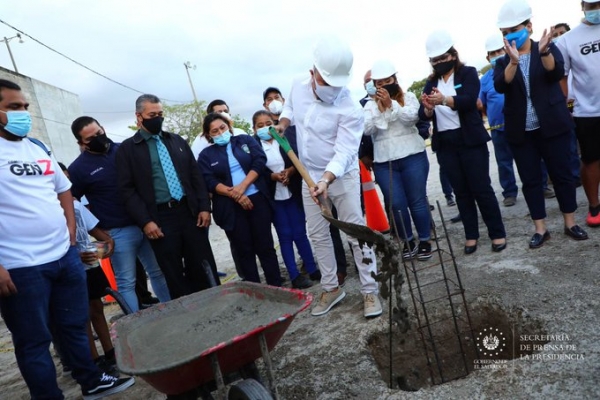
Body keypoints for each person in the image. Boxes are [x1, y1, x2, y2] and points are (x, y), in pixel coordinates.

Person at [0, 79, 134, 399]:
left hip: (63, 256)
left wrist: (71, 235)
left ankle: (91, 380)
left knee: (74, 326)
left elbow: (64, 190)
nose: (23, 114)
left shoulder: (37, 147)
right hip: (20, 266)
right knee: (34, 341)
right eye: (14, 107)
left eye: (25, 107)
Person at [275, 35, 381, 318]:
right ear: (313, 72)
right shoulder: (298, 84)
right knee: (318, 234)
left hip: (340, 177)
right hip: (308, 174)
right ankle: (331, 287)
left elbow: (346, 151)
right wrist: (284, 123)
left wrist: (325, 180)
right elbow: (290, 108)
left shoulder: (350, 108)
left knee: (356, 233)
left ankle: (371, 290)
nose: (331, 89)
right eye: (325, 82)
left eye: (337, 84)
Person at [494, 0, 588, 248]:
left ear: (529, 26)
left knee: (563, 175)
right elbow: (501, 85)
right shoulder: (503, 62)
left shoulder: (546, 48)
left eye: (515, 28)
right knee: (531, 180)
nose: (511, 34)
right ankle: (540, 228)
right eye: (505, 32)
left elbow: (555, 72)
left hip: (553, 127)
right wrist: (513, 62)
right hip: (521, 132)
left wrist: (545, 52)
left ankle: (570, 222)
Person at [116, 94, 220, 299]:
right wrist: (146, 222)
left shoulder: (176, 141)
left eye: (160, 114)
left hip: (190, 213)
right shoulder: (127, 150)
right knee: (173, 273)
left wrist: (204, 207)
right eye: (152, 114)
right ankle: (188, 317)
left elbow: (195, 176)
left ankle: (215, 305)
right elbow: (127, 191)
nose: (158, 118)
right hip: (160, 220)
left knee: (202, 264)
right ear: (139, 116)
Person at [69, 116, 171, 312]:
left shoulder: (126, 150)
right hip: (117, 232)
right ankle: (135, 323)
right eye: (90, 138)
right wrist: (97, 232)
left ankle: (172, 312)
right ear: (81, 142)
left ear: (103, 128)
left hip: (146, 223)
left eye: (99, 133)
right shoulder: (78, 169)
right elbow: (72, 203)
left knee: (158, 272)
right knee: (126, 282)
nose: (98, 139)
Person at [419, 30, 507, 254]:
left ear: (453, 55)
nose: (439, 63)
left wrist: (446, 100)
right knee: (461, 191)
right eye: (434, 60)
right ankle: (471, 235)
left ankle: (497, 232)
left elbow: (469, 100)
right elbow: (424, 112)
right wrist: (429, 109)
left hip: (470, 139)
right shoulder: (431, 83)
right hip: (446, 143)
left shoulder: (467, 73)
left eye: (443, 58)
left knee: (481, 188)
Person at [264, 86, 349, 285]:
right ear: (264, 105)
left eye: (277, 97)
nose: (274, 101)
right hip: (292, 192)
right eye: (269, 99)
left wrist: (292, 171)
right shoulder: (265, 133)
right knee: (312, 230)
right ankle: (314, 265)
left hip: (314, 181)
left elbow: (304, 155)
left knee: (332, 221)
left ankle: (340, 267)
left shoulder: (294, 128)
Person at [198, 112, 282, 286]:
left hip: (257, 200)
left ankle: (276, 286)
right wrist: (234, 194)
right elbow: (208, 180)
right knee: (244, 250)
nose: (220, 133)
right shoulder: (206, 155)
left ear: (228, 126)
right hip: (230, 207)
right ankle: (254, 291)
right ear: (208, 135)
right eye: (215, 131)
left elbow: (259, 161)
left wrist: (242, 187)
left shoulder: (245, 140)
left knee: (265, 246)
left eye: (222, 127)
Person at [363, 59, 432, 260]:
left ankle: (425, 240)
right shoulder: (368, 105)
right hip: (385, 160)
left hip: (413, 155)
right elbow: (367, 129)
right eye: (379, 83)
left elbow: (412, 118)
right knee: (396, 203)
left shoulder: (408, 97)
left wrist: (391, 104)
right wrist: (381, 108)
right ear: (375, 85)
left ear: (395, 79)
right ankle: (407, 240)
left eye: (388, 81)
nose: (384, 86)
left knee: (417, 200)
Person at [59, 162, 119, 376]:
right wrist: (75, 255)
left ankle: (110, 351)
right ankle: (94, 358)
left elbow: (91, 227)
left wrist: (107, 240)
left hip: (90, 264)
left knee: (97, 308)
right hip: (69, 266)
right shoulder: (48, 211)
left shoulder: (75, 206)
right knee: (81, 313)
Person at [252, 110, 322, 288]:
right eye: (260, 126)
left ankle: (312, 269)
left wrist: (290, 172)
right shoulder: (254, 146)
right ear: (254, 128)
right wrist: (272, 176)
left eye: (268, 123)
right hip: (274, 198)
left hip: (292, 193)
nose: (265, 128)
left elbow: (297, 159)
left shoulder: (284, 139)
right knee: (285, 236)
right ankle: (294, 275)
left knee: (300, 233)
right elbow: (256, 170)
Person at [556, 7, 599, 226]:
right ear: (582, 6)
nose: (596, 9)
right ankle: (594, 206)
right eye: (591, 5)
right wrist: (567, 105)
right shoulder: (567, 40)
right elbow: (562, 76)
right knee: (591, 160)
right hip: (587, 111)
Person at [479, 33, 520, 207]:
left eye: (499, 51)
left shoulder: (516, 67)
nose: (496, 55)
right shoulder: (485, 80)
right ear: (488, 57)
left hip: (520, 123)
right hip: (498, 127)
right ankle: (509, 192)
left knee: (529, 157)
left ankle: (540, 186)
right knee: (504, 162)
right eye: (492, 53)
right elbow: (481, 104)